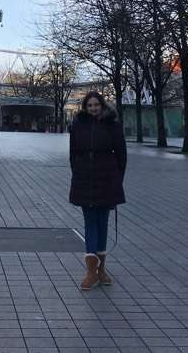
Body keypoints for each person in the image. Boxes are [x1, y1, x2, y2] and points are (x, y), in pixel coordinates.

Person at [69, 91, 126, 290]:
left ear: (102, 106)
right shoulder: (78, 125)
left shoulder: (113, 126)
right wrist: (77, 172)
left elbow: (121, 154)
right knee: (90, 223)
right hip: (85, 179)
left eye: (96, 105)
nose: (93, 108)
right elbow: (73, 153)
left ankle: (101, 269)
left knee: (103, 223)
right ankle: (91, 272)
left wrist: (117, 180)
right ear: (85, 107)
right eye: (89, 105)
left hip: (107, 179)